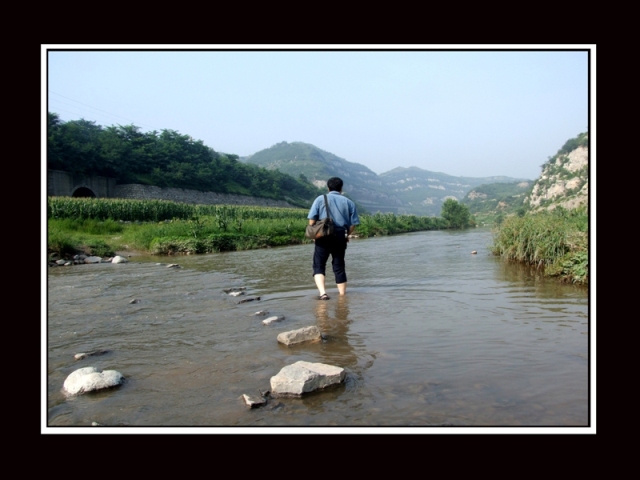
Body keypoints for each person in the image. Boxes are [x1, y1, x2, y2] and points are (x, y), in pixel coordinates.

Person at [307, 177, 360, 300]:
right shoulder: (349, 202)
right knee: (339, 265)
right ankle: (342, 296)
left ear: (328, 188)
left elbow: (312, 220)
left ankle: (323, 294)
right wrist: (346, 235)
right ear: (341, 188)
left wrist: (315, 234)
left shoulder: (320, 199)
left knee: (319, 265)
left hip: (323, 235)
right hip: (340, 235)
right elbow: (353, 224)